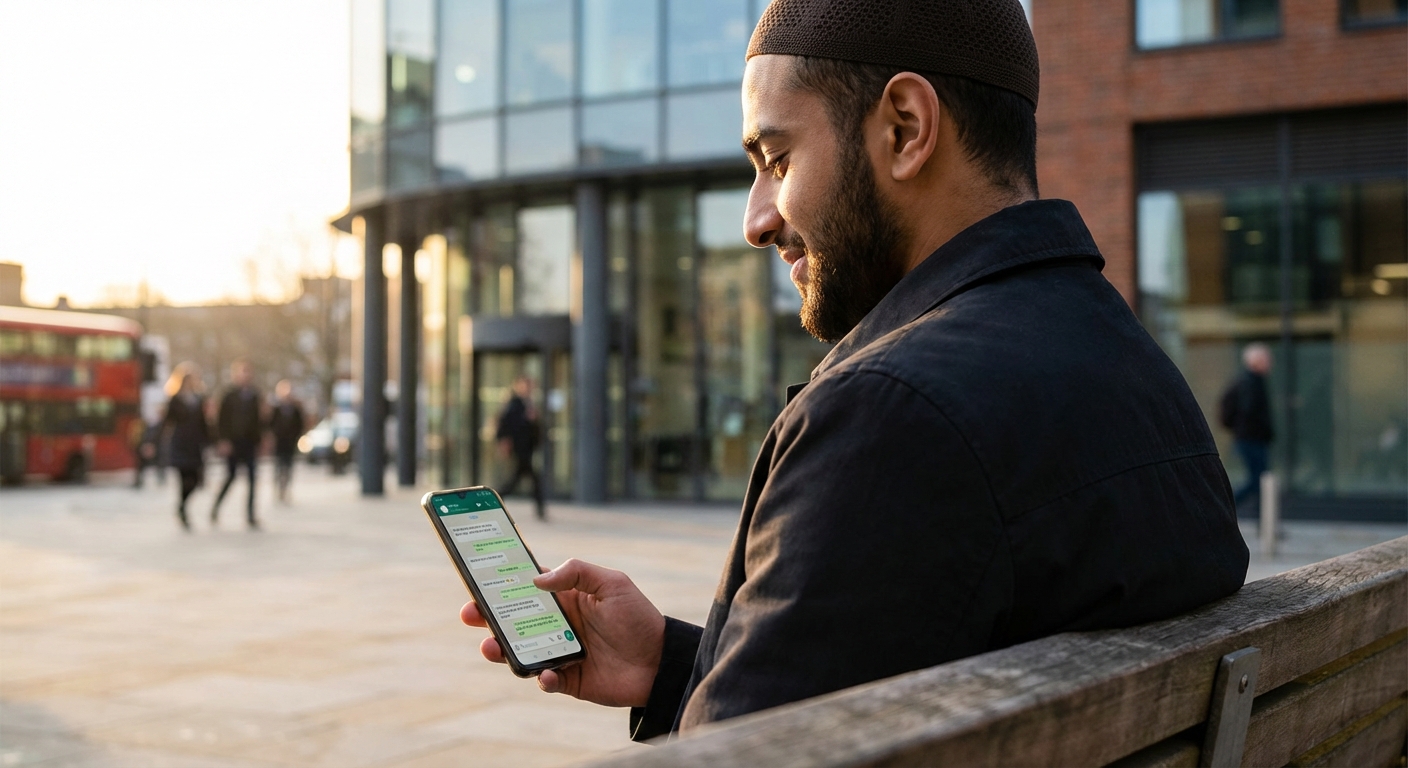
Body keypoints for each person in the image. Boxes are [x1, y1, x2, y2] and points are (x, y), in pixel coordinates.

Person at [459, 0, 1249, 741]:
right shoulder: (1140, 372)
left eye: (776, 157)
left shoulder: (889, 416)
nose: (756, 219)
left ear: (906, 128)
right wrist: (668, 664)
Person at [1221, 343, 1274, 511]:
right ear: (1256, 361)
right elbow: (1248, 412)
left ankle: (1263, 523)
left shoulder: (1251, 381)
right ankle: (1225, 508)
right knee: (1257, 482)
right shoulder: (1250, 383)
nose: (1270, 363)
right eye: (1266, 359)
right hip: (1252, 439)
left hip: (1250, 438)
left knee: (1259, 483)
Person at [211, 360, 264, 529]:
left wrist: (260, 441)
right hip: (233, 443)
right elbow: (221, 420)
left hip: (249, 443)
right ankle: (216, 508)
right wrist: (222, 440)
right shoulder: (228, 395)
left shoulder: (255, 395)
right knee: (231, 477)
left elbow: (259, 421)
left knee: (252, 479)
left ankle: (250, 515)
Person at [160, 363, 210, 531]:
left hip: (195, 445)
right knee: (184, 479)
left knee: (195, 479)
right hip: (180, 444)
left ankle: (181, 505)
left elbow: (204, 423)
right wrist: (152, 442)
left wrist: (212, 441)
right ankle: (183, 512)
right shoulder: (174, 399)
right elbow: (166, 422)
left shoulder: (199, 398)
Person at [495, 376, 545, 520]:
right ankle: (496, 499)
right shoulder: (514, 404)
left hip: (527, 448)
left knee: (520, 479)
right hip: (520, 448)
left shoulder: (528, 404)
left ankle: (497, 500)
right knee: (521, 480)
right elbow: (506, 424)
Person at [268, 380, 307, 503]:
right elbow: (270, 425)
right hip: (279, 443)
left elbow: (300, 425)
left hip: (290, 443)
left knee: (289, 467)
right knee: (279, 467)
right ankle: (278, 489)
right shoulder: (276, 409)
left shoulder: (295, 410)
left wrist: (297, 437)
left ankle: (286, 489)